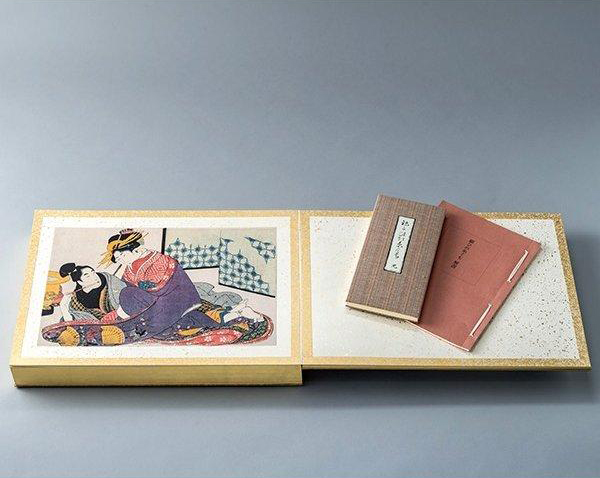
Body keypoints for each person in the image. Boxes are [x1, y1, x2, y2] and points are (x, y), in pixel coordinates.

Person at [99, 229, 258, 341]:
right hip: (158, 305)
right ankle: (234, 315)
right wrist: (118, 313)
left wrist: (125, 311)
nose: (119, 260)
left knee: (130, 297)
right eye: (117, 259)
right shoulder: (129, 269)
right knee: (179, 324)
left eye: (121, 255)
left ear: (136, 250)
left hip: (174, 299)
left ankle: (142, 324)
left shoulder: (158, 260)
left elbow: (153, 288)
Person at [58, 262, 126, 322]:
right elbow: (72, 322)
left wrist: (115, 314)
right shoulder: (76, 301)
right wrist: (63, 307)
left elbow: (127, 297)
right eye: (88, 276)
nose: (95, 277)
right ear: (80, 282)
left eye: (93, 272)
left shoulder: (110, 281)